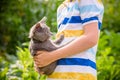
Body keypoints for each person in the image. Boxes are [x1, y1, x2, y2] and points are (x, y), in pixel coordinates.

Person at [34, 0, 104, 80]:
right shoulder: (62, 7)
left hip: (79, 73)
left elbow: (90, 38)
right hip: (56, 74)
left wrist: (51, 56)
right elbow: (63, 42)